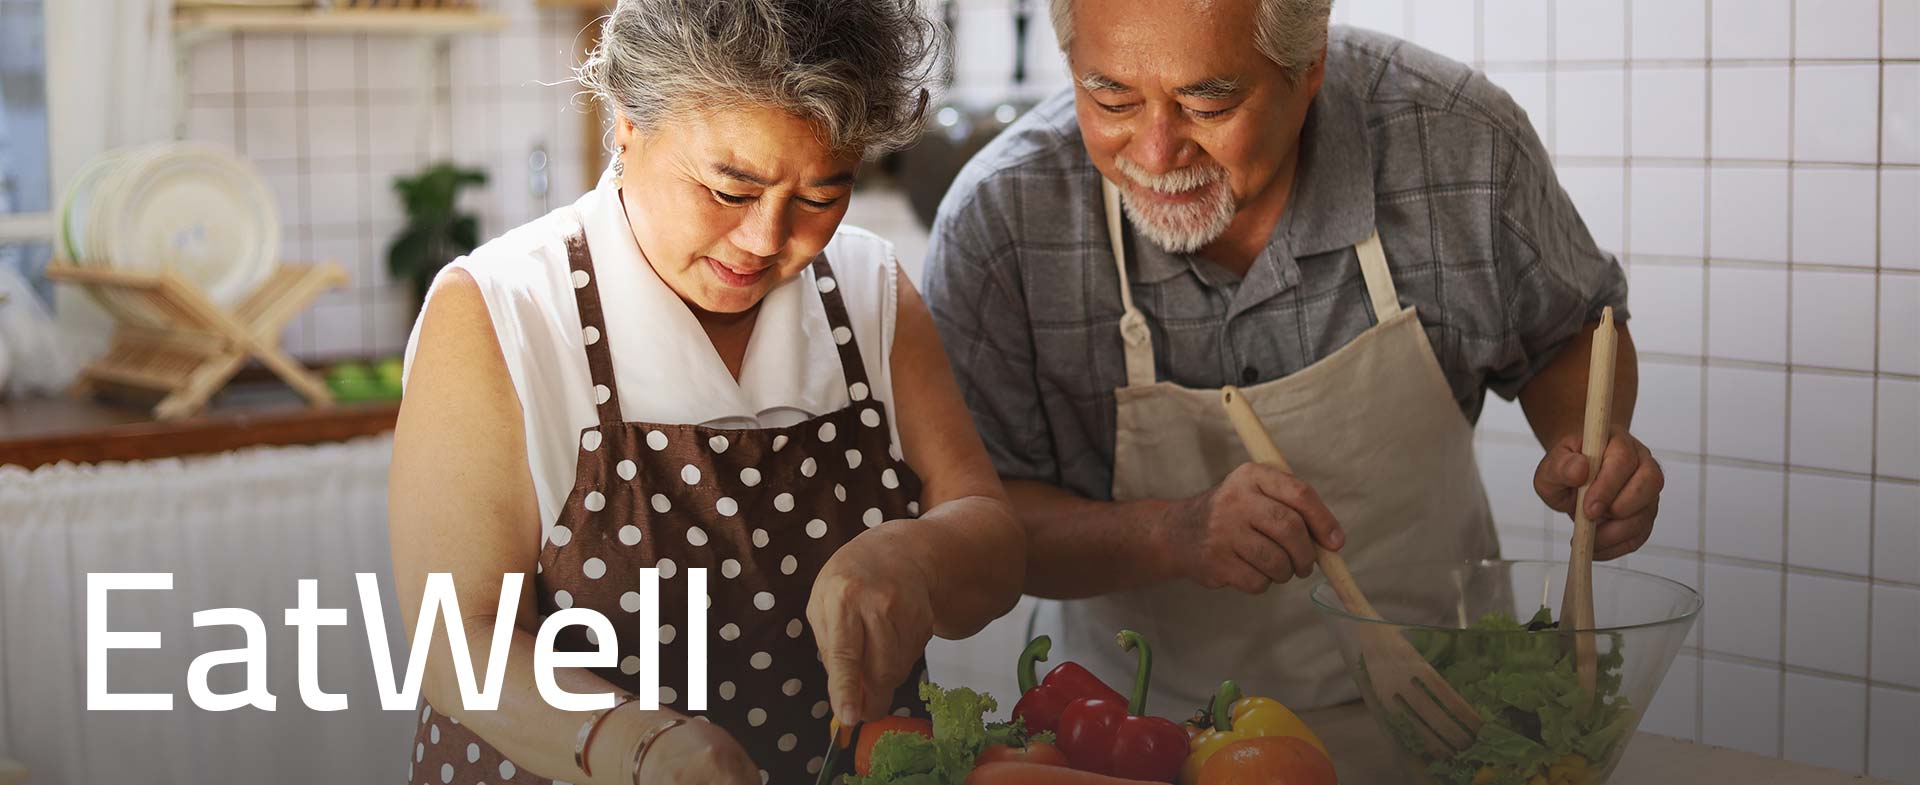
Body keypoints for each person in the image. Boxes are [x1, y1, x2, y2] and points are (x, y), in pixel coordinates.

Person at [923, 0, 1665, 712]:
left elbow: (1570, 332)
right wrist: (1170, 532)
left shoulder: (1458, 142)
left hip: (1440, 711)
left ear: (1308, 65)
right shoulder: (1001, 223)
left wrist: (1586, 449)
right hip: (1132, 727)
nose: (1155, 152)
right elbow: (982, 523)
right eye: (1112, 99)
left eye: (1207, 104)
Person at [388, 1, 1025, 782]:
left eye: (821, 196)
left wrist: (920, 555)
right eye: (730, 189)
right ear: (627, 119)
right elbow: (458, 644)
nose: (765, 238)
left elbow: (995, 542)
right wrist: (635, 744)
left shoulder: (868, 291)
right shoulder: (501, 310)